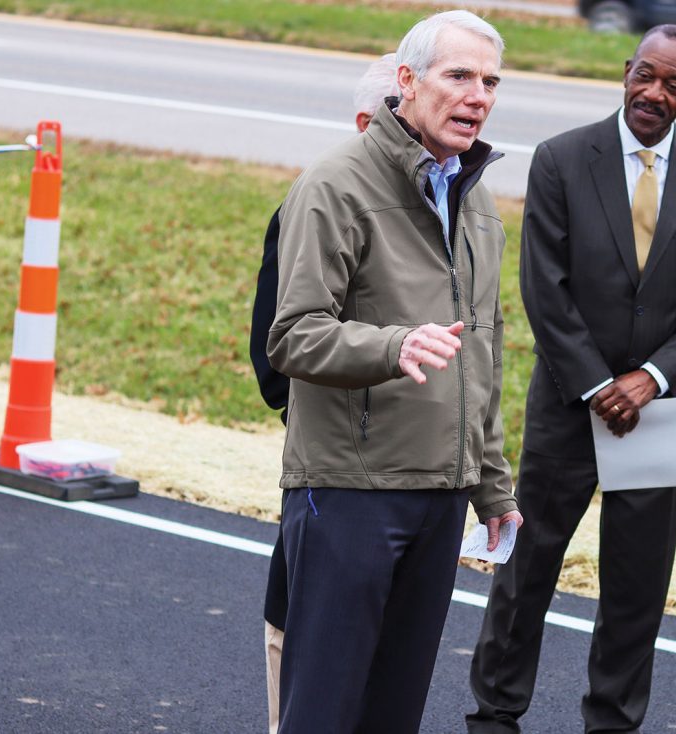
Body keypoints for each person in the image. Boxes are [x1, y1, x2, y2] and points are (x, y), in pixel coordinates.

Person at [467, 25, 676, 733]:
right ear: (626, 72)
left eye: (674, 85)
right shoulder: (562, 159)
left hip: (663, 410)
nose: (655, 93)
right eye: (646, 75)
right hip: (570, 400)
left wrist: (652, 378)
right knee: (529, 567)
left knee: (637, 586)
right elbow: (545, 287)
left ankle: (613, 722)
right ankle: (495, 713)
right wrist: (598, 385)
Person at [266, 10, 523, 734]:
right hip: (350, 493)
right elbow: (291, 335)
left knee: (393, 715)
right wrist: (392, 347)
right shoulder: (334, 185)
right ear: (407, 81)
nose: (478, 96)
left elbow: (481, 358)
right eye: (460, 75)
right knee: (323, 713)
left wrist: (492, 486)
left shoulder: (477, 203)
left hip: (441, 497)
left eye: (491, 81)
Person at [247, 52, 398, 734]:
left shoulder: (454, 207)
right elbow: (274, 352)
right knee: (305, 638)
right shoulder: (318, 199)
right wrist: (334, 410)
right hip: (334, 464)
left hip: (416, 476)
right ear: (367, 122)